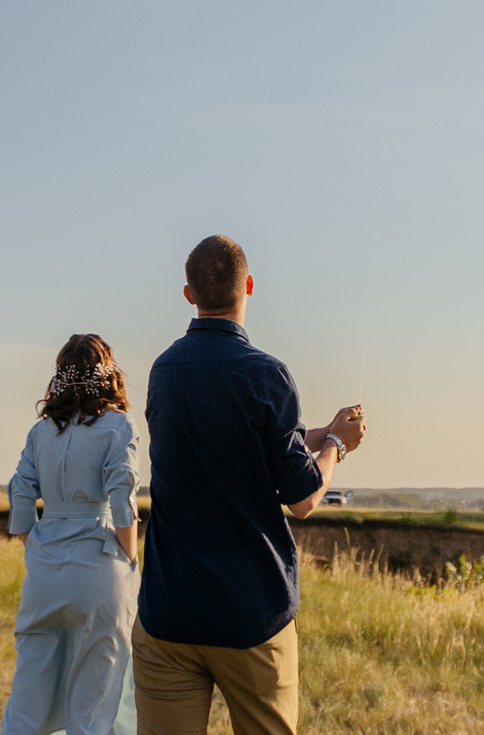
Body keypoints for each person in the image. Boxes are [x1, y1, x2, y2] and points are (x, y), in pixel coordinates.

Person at [134, 235, 365, 735]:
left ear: (189, 295)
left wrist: (320, 430)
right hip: (251, 615)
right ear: (250, 287)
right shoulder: (267, 374)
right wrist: (337, 448)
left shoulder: (164, 371)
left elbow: (231, 432)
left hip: (168, 612)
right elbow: (302, 498)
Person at [2, 334, 144, 735]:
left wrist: (36, 547)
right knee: (92, 713)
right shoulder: (118, 425)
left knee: (26, 709)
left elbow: (21, 493)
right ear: (109, 374)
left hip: (45, 571)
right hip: (101, 567)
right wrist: (128, 559)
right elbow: (122, 497)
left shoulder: (41, 432)